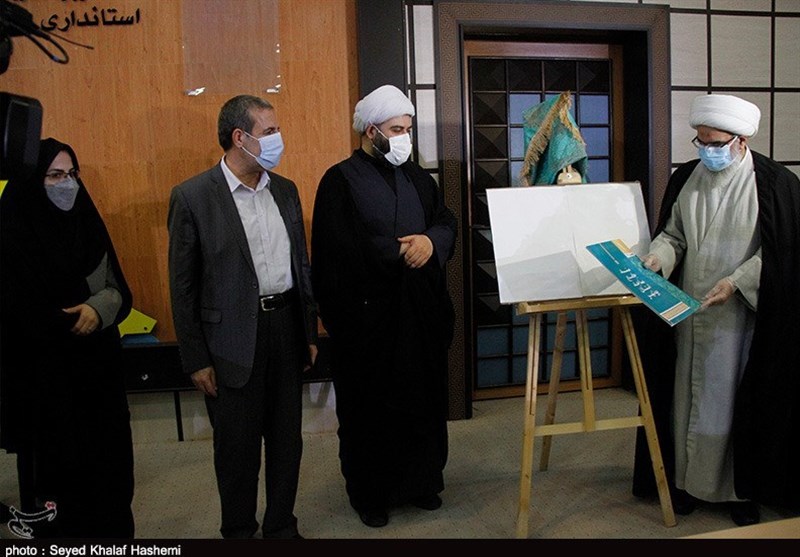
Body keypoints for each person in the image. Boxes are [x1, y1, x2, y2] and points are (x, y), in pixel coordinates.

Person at [633, 94, 800, 526]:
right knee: (684, 400)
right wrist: (658, 258)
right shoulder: (687, 178)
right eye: (701, 141)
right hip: (689, 312)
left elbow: (780, 254)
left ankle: (737, 491)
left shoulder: (776, 184)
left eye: (716, 142)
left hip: (741, 318)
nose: (707, 150)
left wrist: (737, 282)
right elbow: (673, 235)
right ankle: (686, 484)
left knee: (728, 406)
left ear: (741, 141)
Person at [168, 95, 317, 539]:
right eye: (269, 132)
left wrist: (309, 330)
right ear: (240, 137)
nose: (278, 139)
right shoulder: (193, 197)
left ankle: (281, 527)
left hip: (285, 329)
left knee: (287, 442)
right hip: (230, 342)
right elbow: (183, 286)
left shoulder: (285, 190)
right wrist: (196, 358)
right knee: (237, 450)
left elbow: (301, 266)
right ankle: (237, 532)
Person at [311, 85, 457, 528]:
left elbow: (445, 221)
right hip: (368, 323)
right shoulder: (339, 181)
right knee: (369, 412)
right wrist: (398, 251)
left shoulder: (418, 178)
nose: (404, 138)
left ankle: (422, 483)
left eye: (408, 129)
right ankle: (370, 495)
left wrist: (430, 242)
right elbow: (336, 250)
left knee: (422, 402)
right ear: (371, 131)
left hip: (419, 316)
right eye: (396, 130)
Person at [0, 138, 135, 538]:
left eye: (72, 174)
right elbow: (16, 308)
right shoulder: (11, 231)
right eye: (55, 175)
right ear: (32, 181)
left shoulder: (86, 223)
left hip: (100, 377)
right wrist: (66, 320)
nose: (68, 184)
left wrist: (96, 309)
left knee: (110, 478)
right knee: (57, 489)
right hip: (43, 384)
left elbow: (117, 288)